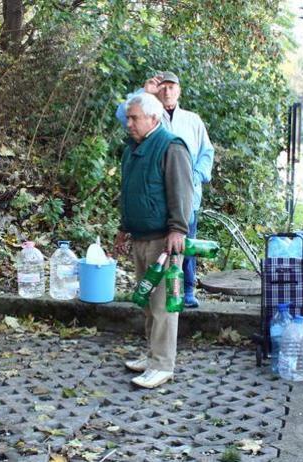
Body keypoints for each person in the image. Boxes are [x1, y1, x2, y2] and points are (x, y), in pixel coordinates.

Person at [116, 71, 214, 308]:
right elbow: (123, 114)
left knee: (183, 240)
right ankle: (176, 298)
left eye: (172, 87)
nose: (168, 91)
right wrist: (143, 92)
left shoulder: (192, 119)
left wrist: (195, 176)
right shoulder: (146, 113)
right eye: (163, 87)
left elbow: (206, 152)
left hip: (186, 194)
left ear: (179, 91)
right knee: (172, 249)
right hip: (155, 203)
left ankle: (187, 290)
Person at [115, 93, 193, 389]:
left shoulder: (171, 147)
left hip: (165, 240)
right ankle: (152, 355)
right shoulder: (132, 149)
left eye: (134, 118)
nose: (129, 124)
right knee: (147, 301)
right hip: (141, 237)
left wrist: (178, 229)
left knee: (163, 305)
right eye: (129, 117)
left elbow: (181, 192)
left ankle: (162, 364)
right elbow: (130, 192)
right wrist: (124, 228)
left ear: (154, 118)